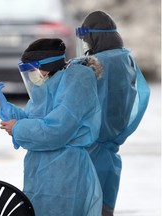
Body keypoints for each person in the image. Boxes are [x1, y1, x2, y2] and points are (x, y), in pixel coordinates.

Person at [0, 38, 103, 216]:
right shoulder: (48, 85)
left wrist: (18, 128)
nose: (31, 76)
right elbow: (34, 118)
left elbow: (57, 130)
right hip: (40, 170)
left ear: (48, 65)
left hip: (65, 170)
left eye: (33, 70)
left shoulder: (77, 80)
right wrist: (8, 109)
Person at [75, 11, 150, 215]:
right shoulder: (124, 58)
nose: (84, 44)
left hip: (93, 148)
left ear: (95, 37)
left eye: (86, 39)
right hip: (109, 151)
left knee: (90, 205)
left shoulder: (97, 63)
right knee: (105, 207)